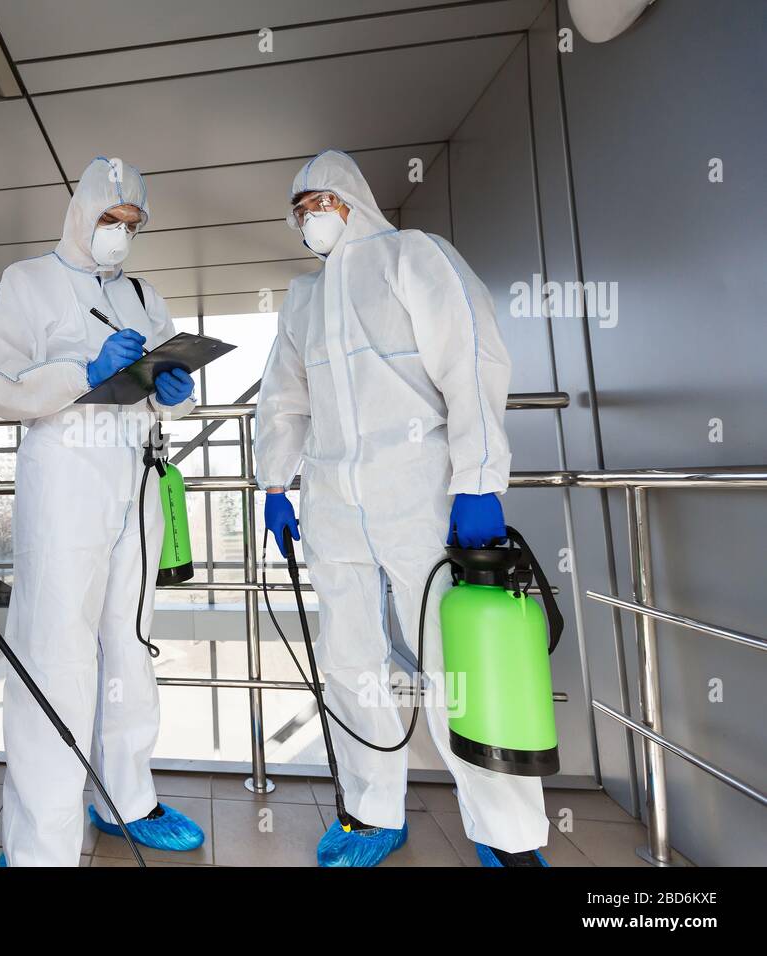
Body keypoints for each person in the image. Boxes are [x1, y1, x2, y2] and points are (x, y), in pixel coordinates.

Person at [254, 149, 549, 867]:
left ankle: (505, 837)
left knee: (463, 664)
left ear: (353, 198)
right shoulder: (302, 299)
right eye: (299, 211)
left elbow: (471, 360)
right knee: (349, 660)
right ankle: (370, 811)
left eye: (320, 202)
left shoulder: (414, 257)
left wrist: (479, 479)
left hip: (421, 495)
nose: (310, 219)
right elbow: (284, 398)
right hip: (331, 503)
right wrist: (273, 485)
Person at [0, 157, 204, 866]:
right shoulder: (28, 282)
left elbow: (175, 373)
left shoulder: (142, 291)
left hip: (133, 478)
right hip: (64, 484)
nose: (119, 235)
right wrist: (86, 369)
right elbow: (0, 389)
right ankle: (41, 842)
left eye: (132, 224)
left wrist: (174, 390)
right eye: (110, 219)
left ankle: (126, 800)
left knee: (129, 645)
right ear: (80, 213)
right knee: (55, 653)